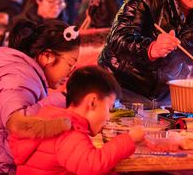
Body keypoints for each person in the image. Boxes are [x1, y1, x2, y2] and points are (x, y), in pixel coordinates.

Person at [0, 19, 80, 174]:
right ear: (47, 57)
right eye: (70, 65)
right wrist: (61, 100)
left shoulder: (24, 73)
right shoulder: (16, 74)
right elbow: (17, 125)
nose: (70, 73)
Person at [9, 65, 145, 174]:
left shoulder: (50, 120)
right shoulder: (68, 132)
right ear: (92, 102)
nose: (108, 117)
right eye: (109, 108)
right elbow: (91, 165)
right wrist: (129, 139)